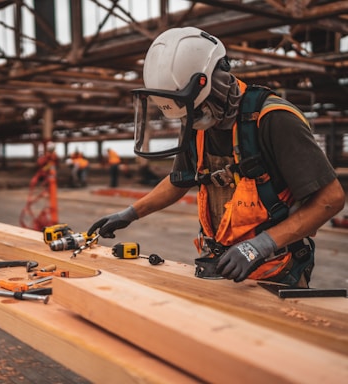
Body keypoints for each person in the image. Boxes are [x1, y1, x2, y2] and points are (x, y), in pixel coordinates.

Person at [87, 27, 345, 288]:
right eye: (188, 114)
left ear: (215, 82)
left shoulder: (273, 119)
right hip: (219, 265)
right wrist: (130, 213)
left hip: (276, 270)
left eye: (197, 110)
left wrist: (261, 245)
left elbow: (331, 199)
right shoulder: (195, 123)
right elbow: (180, 180)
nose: (192, 120)